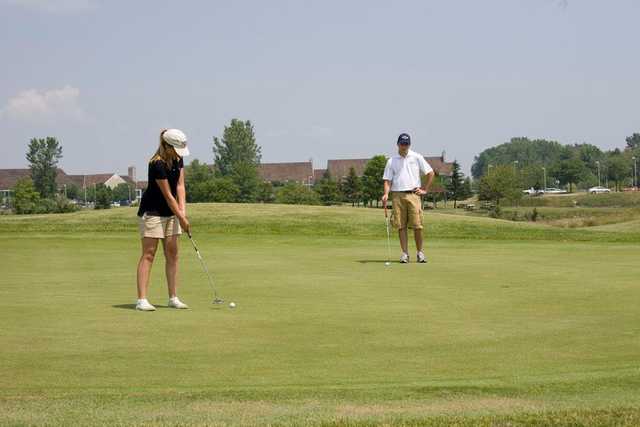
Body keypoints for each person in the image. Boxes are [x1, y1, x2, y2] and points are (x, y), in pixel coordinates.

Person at [135, 129, 192, 311]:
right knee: (149, 254)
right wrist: (181, 217)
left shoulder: (178, 158)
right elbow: (168, 195)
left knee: (173, 254)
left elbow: (180, 186)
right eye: (175, 149)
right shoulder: (156, 164)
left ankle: (173, 297)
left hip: (172, 212)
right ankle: (142, 300)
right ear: (166, 146)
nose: (178, 153)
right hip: (152, 212)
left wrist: (182, 212)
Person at [382, 133, 435, 263]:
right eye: (402, 144)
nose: (404, 146)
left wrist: (425, 190)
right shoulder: (391, 160)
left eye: (406, 144)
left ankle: (420, 253)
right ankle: (405, 254)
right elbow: (387, 180)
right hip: (397, 195)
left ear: (409, 144)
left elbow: (430, 173)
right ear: (398, 144)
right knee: (401, 226)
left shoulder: (417, 157)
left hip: (413, 195)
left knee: (417, 225)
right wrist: (386, 194)